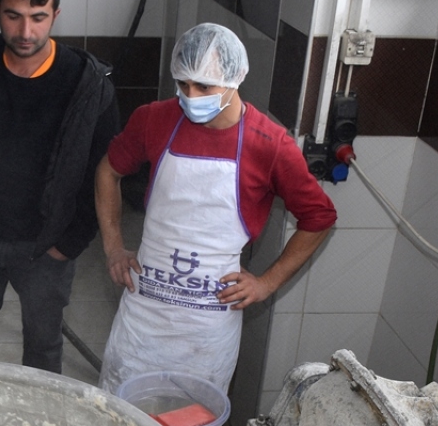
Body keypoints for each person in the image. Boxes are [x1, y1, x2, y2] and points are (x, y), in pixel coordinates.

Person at [96, 23, 336, 395]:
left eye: (204, 87)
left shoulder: (270, 144)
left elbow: (319, 217)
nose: (191, 96)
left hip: (207, 326)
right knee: (120, 416)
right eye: (183, 84)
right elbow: (108, 171)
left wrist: (267, 282)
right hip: (144, 315)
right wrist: (113, 246)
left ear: (234, 79)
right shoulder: (154, 119)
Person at [0, 0, 118, 373]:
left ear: (56, 16)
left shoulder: (87, 83)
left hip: (45, 249)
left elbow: (103, 172)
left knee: (44, 351)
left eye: (38, 18)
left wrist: (69, 244)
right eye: (13, 17)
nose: (26, 32)